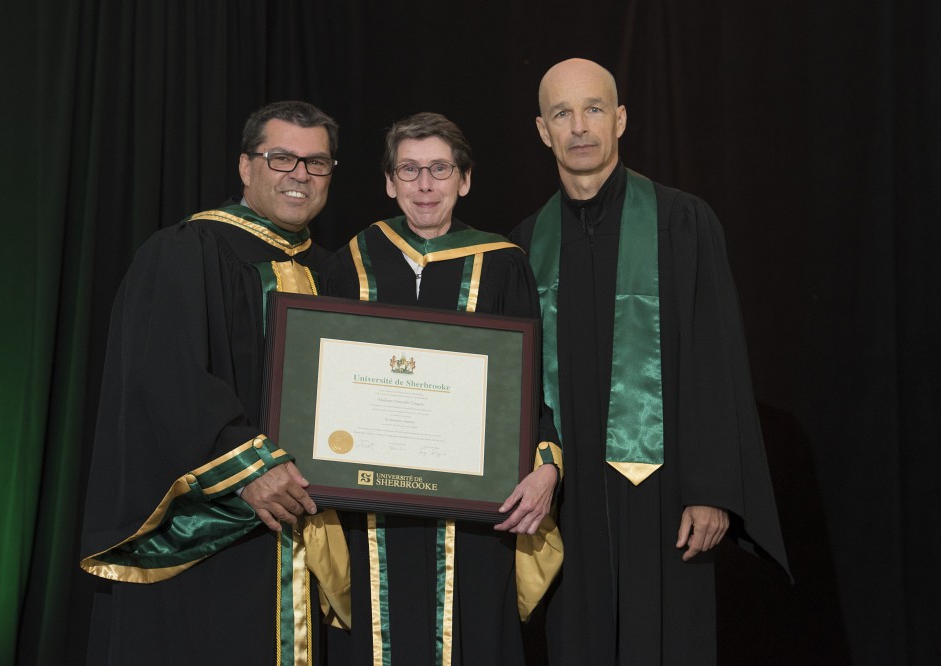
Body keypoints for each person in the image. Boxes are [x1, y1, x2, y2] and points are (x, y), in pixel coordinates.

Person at [509, 59, 790, 664]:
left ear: (621, 119)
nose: (579, 126)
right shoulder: (527, 243)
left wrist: (711, 489)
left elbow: (717, 360)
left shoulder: (681, 222)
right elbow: (522, 384)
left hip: (663, 496)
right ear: (541, 129)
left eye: (594, 109)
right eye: (562, 113)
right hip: (568, 498)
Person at [80, 100, 342, 665]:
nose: (300, 174)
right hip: (216, 533)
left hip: (321, 527)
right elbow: (165, 377)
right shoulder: (186, 251)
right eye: (281, 158)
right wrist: (249, 470)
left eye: (316, 163)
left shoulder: (340, 273)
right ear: (246, 167)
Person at [321, 112, 562, 665]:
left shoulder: (502, 265)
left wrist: (547, 464)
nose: (425, 184)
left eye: (439, 169)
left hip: (475, 513)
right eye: (409, 170)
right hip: (372, 507)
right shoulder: (350, 266)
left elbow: (533, 387)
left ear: (464, 179)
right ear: (388, 182)